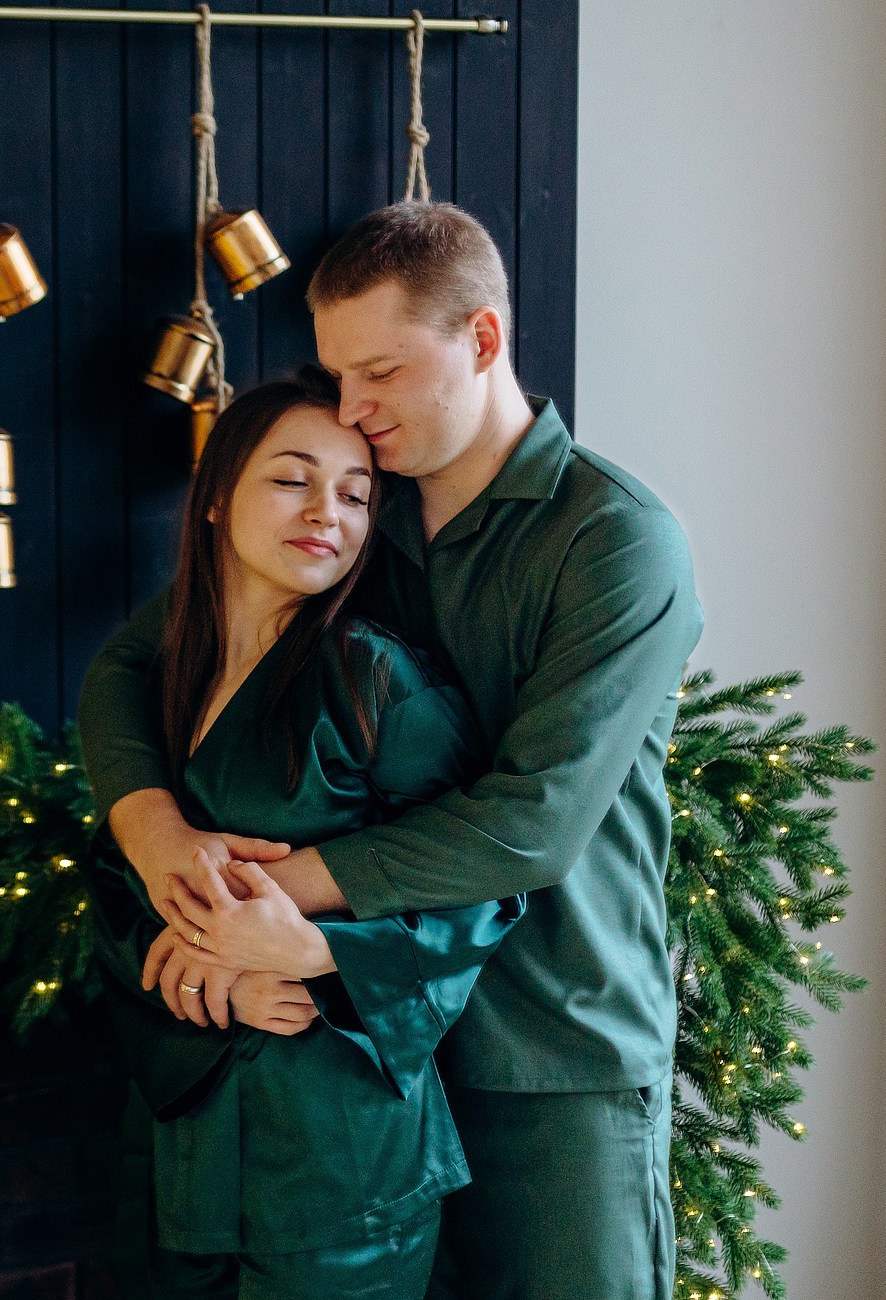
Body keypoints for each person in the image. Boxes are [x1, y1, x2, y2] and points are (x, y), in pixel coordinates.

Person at [79, 202, 703, 1300]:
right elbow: (135, 662)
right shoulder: (358, 510)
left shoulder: (617, 538)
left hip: (548, 1052)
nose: (351, 414)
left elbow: (533, 820)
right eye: (335, 377)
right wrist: (159, 835)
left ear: (484, 339)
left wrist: (265, 915)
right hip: (376, 1058)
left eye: (380, 374)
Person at [83, 364, 521, 1299]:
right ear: (215, 499)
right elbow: (116, 887)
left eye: (357, 495)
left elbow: (481, 890)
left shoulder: (374, 678)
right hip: (181, 1140)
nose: (329, 511)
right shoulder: (166, 679)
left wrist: (320, 951)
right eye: (292, 479)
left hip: (341, 1159)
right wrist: (206, 976)